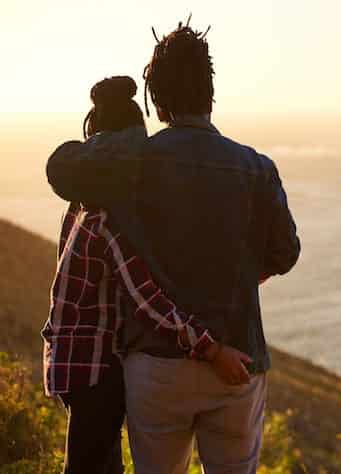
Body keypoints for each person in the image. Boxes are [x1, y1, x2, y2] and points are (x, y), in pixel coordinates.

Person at [45, 21, 300, 474]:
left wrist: (114, 142)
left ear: (156, 101)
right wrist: (245, 267)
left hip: (155, 367)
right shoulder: (257, 168)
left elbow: (64, 170)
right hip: (238, 361)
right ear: (210, 93)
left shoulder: (128, 165)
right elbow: (286, 253)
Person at [42, 76, 245, 473]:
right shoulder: (107, 218)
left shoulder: (79, 206)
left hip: (70, 364)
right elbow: (146, 297)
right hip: (96, 371)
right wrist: (211, 349)